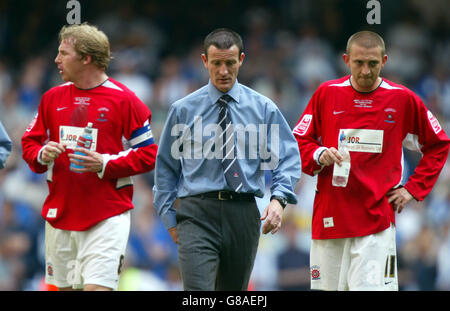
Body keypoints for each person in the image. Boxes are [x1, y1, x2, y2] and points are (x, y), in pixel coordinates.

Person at [293, 30, 450, 291]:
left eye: (373, 64)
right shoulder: (326, 93)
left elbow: (438, 144)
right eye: (359, 63)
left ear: (384, 61)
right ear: (346, 60)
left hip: (376, 223)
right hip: (329, 221)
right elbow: (299, 140)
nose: (365, 71)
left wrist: (413, 189)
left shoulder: (402, 99)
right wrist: (319, 154)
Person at [153, 28, 301, 291]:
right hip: (196, 214)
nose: (223, 71)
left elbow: (288, 158)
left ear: (241, 60)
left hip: (244, 214)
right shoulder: (183, 110)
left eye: (230, 63)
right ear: (204, 61)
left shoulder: (264, 109)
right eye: (216, 63)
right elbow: (165, 169)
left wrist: (278, 201)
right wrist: (168, 218)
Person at [21, 23, 157, 291]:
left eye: (63, 53)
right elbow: (30, 143)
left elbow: (148, 153)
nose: (56, 60)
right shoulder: (52, 97)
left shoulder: (125, 100)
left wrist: (105, 163)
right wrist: (41, 153)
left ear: (86, 58)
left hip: (107, 215)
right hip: (61, 215)